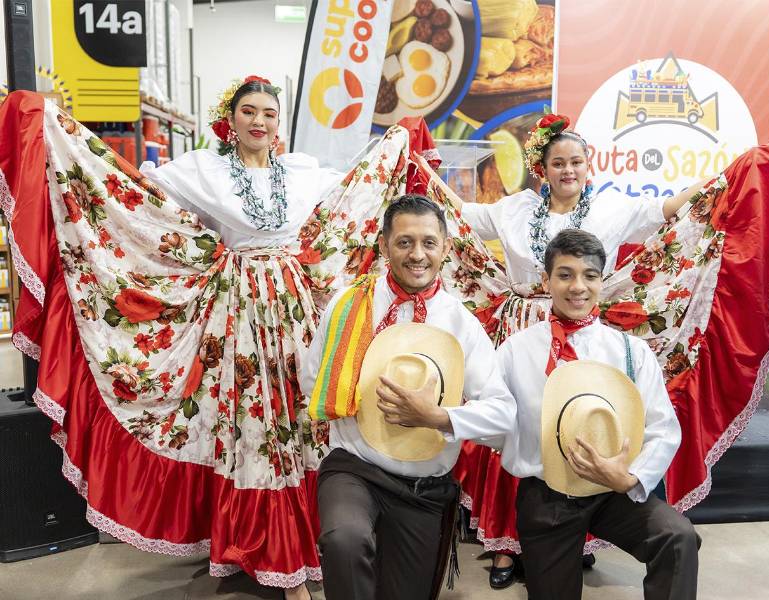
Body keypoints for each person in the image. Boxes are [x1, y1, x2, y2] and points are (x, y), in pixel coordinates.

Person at [0, 82, 433, 599]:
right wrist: (56, 131)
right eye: (248, 111)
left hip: (295, 313)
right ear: (230, 118)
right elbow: (130, 190)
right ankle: (263, 547)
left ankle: (307, 537)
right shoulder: (201, 169)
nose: (259, 121)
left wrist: (398, 142)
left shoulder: (300, 172)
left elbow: (356, 189)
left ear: (280, 121)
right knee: (255, 426)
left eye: (269, 113)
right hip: (242, 315)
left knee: (299, 420)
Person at [387, 228, 702, 600]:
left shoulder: (631, 352)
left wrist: (629, 477)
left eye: (589, 276)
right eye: (565, 275)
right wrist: (446, 418)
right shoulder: (515, 351)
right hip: (546, 495)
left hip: (613, 492)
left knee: (678, 537)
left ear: (603, 281)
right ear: (546, 280)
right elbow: (493, 417)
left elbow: (664, 428)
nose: (577, 287)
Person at [298, 194, 516, 600]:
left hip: (423, 486)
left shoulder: (460, 324)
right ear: (383, 245)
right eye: (404, 242)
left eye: (429, 243)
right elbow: (312, 383)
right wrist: (356, 395)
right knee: (344, 541)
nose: (418, 255)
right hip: (354, 466)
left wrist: (438, 417)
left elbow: (502, 414)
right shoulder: (348, 306)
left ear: (446, 248)